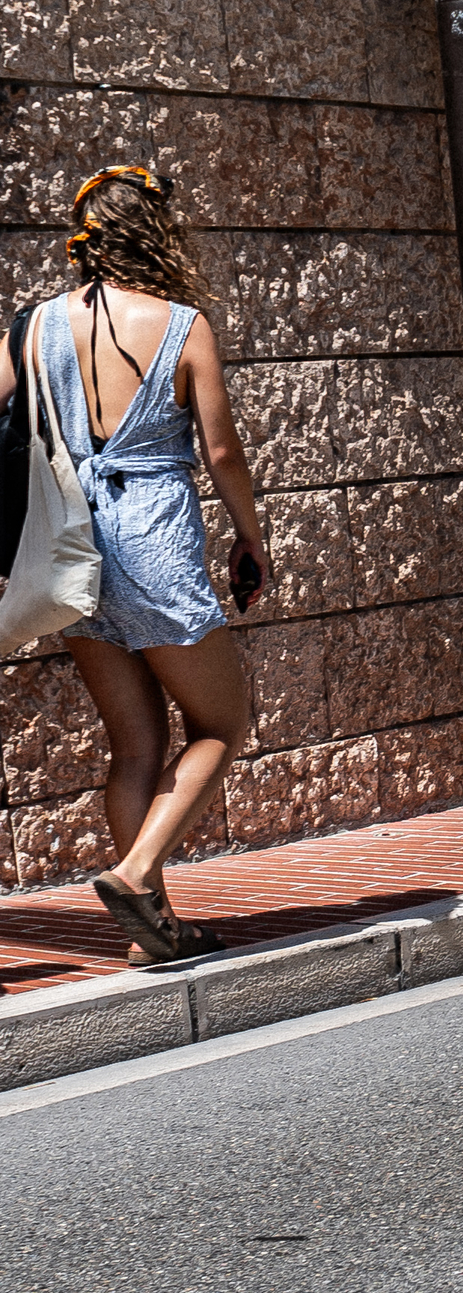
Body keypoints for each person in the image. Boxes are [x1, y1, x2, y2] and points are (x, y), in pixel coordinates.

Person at [0, 167, 270, 963]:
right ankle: (139, 869)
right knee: (223, 723)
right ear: (156, 232)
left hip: (71, 547)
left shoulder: (36, 324)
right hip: (152, 540)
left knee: (136, 746)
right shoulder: (183, 326)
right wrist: (250, 539)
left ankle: (154, 931)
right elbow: (222, 452)